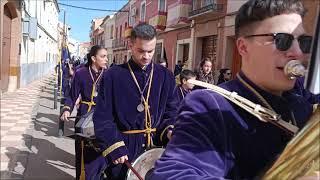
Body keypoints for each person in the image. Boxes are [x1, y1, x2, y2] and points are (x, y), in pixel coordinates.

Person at [151, 0, 314, 179]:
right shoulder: (209, 106)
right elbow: (172, 174)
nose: (297, 52)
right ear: (243, 47)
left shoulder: (303, 107)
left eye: (304, 42)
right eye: (282, 40)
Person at [92, 23, 178, 179]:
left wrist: (170, 130)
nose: (146, 56)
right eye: (141, 51)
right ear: (130, 45)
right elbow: (102, 117)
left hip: (157, 150)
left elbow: (172, 111)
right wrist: (114, 147)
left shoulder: (166, 76)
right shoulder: (113, 76)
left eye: (150, 51)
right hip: (124, 150)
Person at [60, 45, 108, 180]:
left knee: (101, 155)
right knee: (83, 155)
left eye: (106, 56)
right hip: (84, 117)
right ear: (93, 58)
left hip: (103, 119)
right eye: (103, 56)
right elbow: (72, 95)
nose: (106, 59)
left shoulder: (109, 74)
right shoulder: (81, 73)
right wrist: (67, 109)